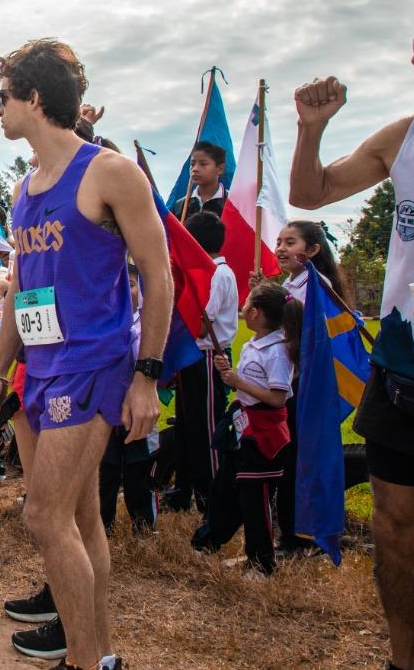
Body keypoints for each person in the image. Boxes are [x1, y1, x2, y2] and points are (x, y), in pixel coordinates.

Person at [0, 39, 171, 670]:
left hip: (95, 364)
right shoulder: (25, 188)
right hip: (42, 365)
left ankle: (83, 661)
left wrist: (147, 376)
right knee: (83, 517)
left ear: (34, 98)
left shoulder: (109, 173)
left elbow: (158, 273)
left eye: (3, 96)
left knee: (43, 514)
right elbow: (21, 288)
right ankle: (104, 653)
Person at [287, 0, 414, 670]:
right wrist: (309, 128)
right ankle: (405, 662)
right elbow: (311, 193)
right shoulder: (410, 136)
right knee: (393, 531)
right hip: (405, 370)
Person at [191, 283, 300, 576]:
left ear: (256, 313)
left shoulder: (277, 351)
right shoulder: (254, 343)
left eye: (246, 303)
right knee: (224, 489)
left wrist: (239, 382)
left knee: (255, 500)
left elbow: (278, 397)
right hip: (243, 427)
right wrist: (229, 373)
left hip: (264, 434)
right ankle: (208, 543)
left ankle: (262, 563)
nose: (242, 307)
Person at [268, 219, 350, 554]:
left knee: (298, 462)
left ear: (313, 250)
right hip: (288, 384)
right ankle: (291, 531)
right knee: (287, 460)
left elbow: (309, 338)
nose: (281, 248)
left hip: (305, 388)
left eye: (291, 243)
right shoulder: (293, 283)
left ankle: (299, 538)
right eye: (279, 242)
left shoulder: (317, 286)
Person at [164, 211, 238, 513]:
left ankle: (213, 498)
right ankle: (182, 491)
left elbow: (203, 322)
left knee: (206, 429)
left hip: (208, 357)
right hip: (191, 357)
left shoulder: (218, 274)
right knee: (185, 427)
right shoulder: (202, 272)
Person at [99, 268, 157, 535]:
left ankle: (143, 525)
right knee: (106, 469)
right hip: (107, 409)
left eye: (132, 284)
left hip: (137, 411)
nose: (125, 290)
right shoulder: (103, 325)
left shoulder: (147, 327)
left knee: (138, 470)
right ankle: (102, 524)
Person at [169, 141, 228, 220]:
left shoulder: (231, 204)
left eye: (203, 164)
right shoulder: (181, 206)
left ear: (220, 169)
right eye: (192, 164)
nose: (195, 169)